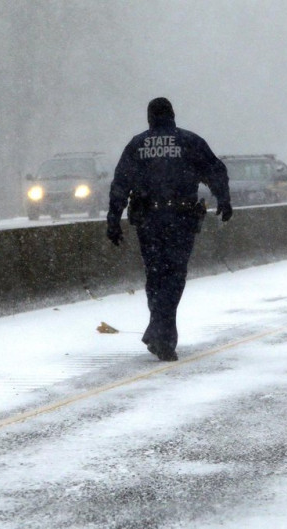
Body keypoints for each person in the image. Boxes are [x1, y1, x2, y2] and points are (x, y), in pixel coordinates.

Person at [106, 97, 232, 361]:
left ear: (150, 118)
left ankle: (158, 330)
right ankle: (162, 336)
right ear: (172, 115)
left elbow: (120, 183)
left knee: (155, 276)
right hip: (180, 219)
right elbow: (215, 171)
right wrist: (224, 199)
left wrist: (114, 218)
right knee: (174, 276)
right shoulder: (189, 141)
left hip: (148, 221)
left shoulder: (137, 144)